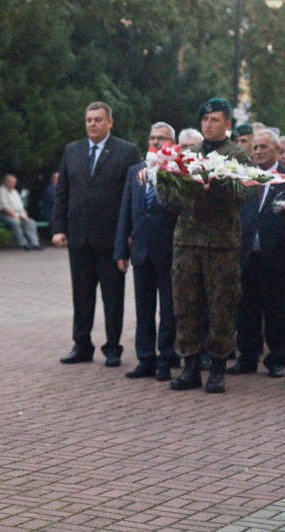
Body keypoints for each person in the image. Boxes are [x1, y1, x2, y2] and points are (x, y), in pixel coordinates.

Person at [161, 97, 249, 394]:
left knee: (221, 306)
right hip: (186, 242)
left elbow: (240, 197)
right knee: (185, 305)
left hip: (221, 245)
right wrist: (165, 181)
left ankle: (218, 368)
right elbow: (173, 201)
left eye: (214, 120)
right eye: (205, 120)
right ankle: (190, 367)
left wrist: (215, 181)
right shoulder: (189, 154)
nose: (208, 125)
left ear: (227, 124)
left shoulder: (237, 155)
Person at [53, 101, 141, 367]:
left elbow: (133, 196)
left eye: (98, 119)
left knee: (112, 297)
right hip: (78, 237)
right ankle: (82, 345)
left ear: (110, 122)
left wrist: (129, 235)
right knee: (81, 295)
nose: (92, 124)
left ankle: (112, 347)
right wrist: (58, 228)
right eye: (89, 119)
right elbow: (62, 192)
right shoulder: (72, 150)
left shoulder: (126, 151)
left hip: (112, 239)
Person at [114, 122, 180, 381]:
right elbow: (125, 212)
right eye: (152, 137)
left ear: (171, 143)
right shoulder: (135, 171)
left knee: (168, 309)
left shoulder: (177, 172)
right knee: (143, 309)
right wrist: (121, 249)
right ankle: (145, 358)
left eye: (161, 138)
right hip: (140, 251)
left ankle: (165, 358)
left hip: (168, 251)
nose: (154, 142)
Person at [229, 129, 285, 378]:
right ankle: (247, 356)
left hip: (276, 256)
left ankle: (277, 358)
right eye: (256, 148)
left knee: (276, 309)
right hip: (247, 255)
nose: (259, 151)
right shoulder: (244, 179)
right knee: (246, 308)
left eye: (264, 147)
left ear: (276, 150)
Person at [0, 173, 41, 250]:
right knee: (15, 223)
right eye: (12, 183)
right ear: (6, 182)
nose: (14, 184)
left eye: (14, 183)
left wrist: (25, 215)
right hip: (5, 215)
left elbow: (20, 206)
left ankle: (35, 244)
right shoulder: (1, 191)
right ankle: (23, 244)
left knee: (31, 222)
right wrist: (14, 215)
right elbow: (4, 207)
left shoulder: (14, 191)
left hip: (18, 214)